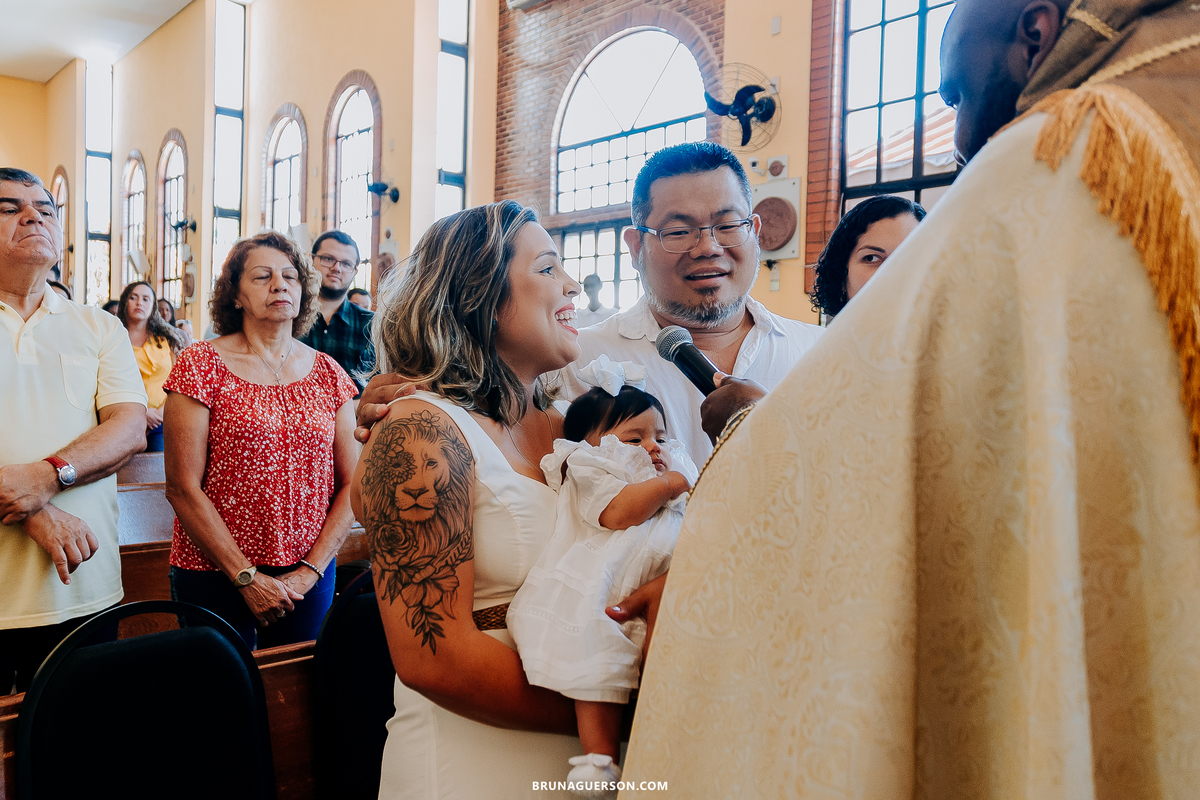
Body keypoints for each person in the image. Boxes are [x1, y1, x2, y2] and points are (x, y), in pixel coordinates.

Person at [618, 1, 1200, 796]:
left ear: (1035, 31)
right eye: (678, 229)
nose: (961, 139)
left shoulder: (1069, 152)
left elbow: (871, 452)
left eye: (959, 93)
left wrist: (752, 429)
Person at [355, 142, 825, 466]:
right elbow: (482, 405)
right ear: (635, 247)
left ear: (756, 233)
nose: (707, 246)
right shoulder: (577, 363)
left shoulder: (822, 354)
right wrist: (405, 392)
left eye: (727, 225)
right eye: (678, 231)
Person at [352, 201, 587, 799]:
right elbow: (434, 658)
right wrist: (616, 710)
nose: (573, 284)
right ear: (479, 295)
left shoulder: (574, 426)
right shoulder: (418, 430)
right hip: (472, 763)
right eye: (549, 268)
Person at [507, 358, 697, 795]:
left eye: (660, 436)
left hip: (667, 577)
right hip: (605, 584)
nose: (653, 446)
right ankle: (599, 758)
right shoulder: (589, 467)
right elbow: (617, 514)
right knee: (595, 664)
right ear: (589, 443)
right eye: (636, 437)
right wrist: (670, 484)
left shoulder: (670, 463)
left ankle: (668, 750)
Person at [163, 231, 357, 650]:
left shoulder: (328, 373)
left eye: (290, 276)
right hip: (214, 570)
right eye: (262, 276)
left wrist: (311, 570)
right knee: (219, 699)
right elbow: (182, 487)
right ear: (235, 295)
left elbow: (352, 484)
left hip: (308, 571)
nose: (279, 284)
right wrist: (245, 577)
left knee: (297, 701)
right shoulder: (201, 365)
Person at [0, 167, 147, 693]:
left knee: (78, 753)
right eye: (9, 207)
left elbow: (129, 428)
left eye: (45, 208)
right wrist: (32, 506)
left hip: (83, 586)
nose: (33, 215)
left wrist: (46, 477)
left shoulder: (98, 325)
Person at [809, 195, 926, 318]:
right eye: (871, 258)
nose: (892, 273)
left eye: (910, 259)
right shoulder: (812, 337)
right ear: (841, 274)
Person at [298, 230, 374, 393]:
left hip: (355, 417)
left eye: (346, 263)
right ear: (312, 260)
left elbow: (377, 389)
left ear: (355, 271)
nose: (336, 268)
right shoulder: (289, 316)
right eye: (328, 259)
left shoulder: (372, 325)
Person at [117, 281, 184, 452]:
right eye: (134, 297)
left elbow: (179, 381)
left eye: (146, 299)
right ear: (125, 302)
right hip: (123, 419)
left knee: (158, 472)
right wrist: (142, 412)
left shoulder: (168, 338)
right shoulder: (114, 337)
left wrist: (159, 413)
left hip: (161, 419)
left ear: (153, 306)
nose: (140, 303)